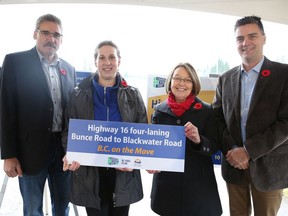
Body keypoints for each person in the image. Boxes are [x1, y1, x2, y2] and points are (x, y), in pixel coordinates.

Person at [0, 14, 77, 216]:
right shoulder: (15, 62)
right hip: (29, 152)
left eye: (56, 35)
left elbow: (73, 113)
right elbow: (6, 110)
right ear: (35, 34)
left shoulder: (69, 69)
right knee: (33, 209)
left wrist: (77, 149)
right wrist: (8, 155)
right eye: (46, 33)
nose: (51, 38)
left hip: (63, 152)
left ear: (61, 39)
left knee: (62, 206)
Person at [212, 15, 288, 216]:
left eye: (252, 36)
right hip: (233, 166)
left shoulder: (284, 75)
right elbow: (217, 119)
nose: (245, 43)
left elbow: (286, 122)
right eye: (240, 38)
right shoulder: (225, 79)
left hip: (269, 168)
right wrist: (233, 151)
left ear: (264, 38)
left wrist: (248, 151)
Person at [62, 40, 148, 216]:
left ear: (119, 61)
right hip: (90, 172)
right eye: (102, 57)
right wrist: (71, 153)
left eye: (111, 57)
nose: (107, 62)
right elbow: (67, 131)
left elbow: (142, 132)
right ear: (96, 62)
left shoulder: (133, 94)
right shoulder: (77, 94)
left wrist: (134, 160)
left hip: (123, 174)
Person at [148, 62, 222, 216]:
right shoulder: (159, 111)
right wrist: (151, 162)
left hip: (198, 189)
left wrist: (198, 140)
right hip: (167, 187)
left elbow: (214, 146)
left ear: (194, 84)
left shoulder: (207, 111)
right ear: (170, 82)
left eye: (187, 80)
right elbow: (153, 148)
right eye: (177, 78)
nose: (182, 83)